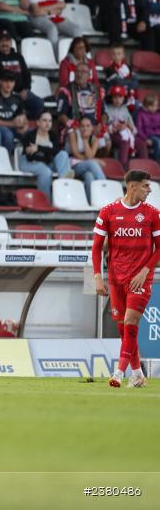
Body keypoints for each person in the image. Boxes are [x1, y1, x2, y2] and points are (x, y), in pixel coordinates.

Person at [91, 169, 158, 389]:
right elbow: (97, 247)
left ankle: (119, 372)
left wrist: (146, 270)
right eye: (145, 186)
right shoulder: (109, 211)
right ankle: (138, 374)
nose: (149, 190)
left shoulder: (152, 214)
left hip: (140, 279)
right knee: (124, 329)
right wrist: (98, 276)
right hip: (116, 278)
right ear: (132, 186)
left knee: (130, 322)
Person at [0, 30, 43, 118]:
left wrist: (26, 89)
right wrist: (10, 93)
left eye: (7, 41)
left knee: (39, 104)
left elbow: (27, 75)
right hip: (1, 94)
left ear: (11, 42)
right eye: (2, 41)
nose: (4, 44)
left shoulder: (18, 56)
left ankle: (24, 120)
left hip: (20, 92)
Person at [19, 112, 72, 202]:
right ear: (38, 122)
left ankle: (63, 182)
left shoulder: (53, 135)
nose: (48, 124)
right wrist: (47, 152)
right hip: (29, 162)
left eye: (50, 121)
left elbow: (56, 151)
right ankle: (44, 201)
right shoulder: (30, 135)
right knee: (46, 171)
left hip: (46, 162)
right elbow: (31, 157)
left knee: (63, 154)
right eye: (44, 120)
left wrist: (38, 148)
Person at [67, 116, 109, 201]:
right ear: (79, 127)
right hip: (73, 166)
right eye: (82, 126)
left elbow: (90, 156)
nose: (85, 128)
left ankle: (91, 202)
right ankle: (107, 192)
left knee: (89, 176)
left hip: (87, 167)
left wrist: (85, 140)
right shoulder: (73, 134)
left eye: (88, 126)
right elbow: (76, 155)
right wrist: (94, 160)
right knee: (92, 163)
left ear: (92, 127)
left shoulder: (95, 138)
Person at [137, 93, 160, 161]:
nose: (156, 107)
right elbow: (139, 129)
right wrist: (145, 138)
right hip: (150, 135)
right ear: (147, 106)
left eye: (156, 105)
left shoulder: (158, 114)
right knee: (158, 142)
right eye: (153, 106)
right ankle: (157, 160)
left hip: (158, 133)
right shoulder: (141, 114)